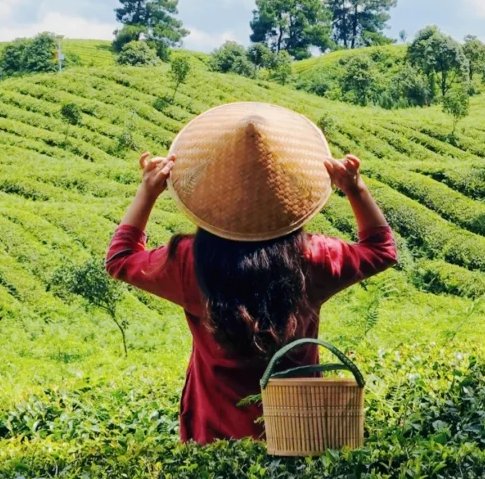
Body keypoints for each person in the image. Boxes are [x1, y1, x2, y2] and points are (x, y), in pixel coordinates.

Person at [105, 102, 396, 445]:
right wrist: (355, 189)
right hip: (300, 432)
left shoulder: (187, 261)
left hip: (213, 436)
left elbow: (120, 259)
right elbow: (381, 249)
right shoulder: (313, 257)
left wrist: (148, 191)